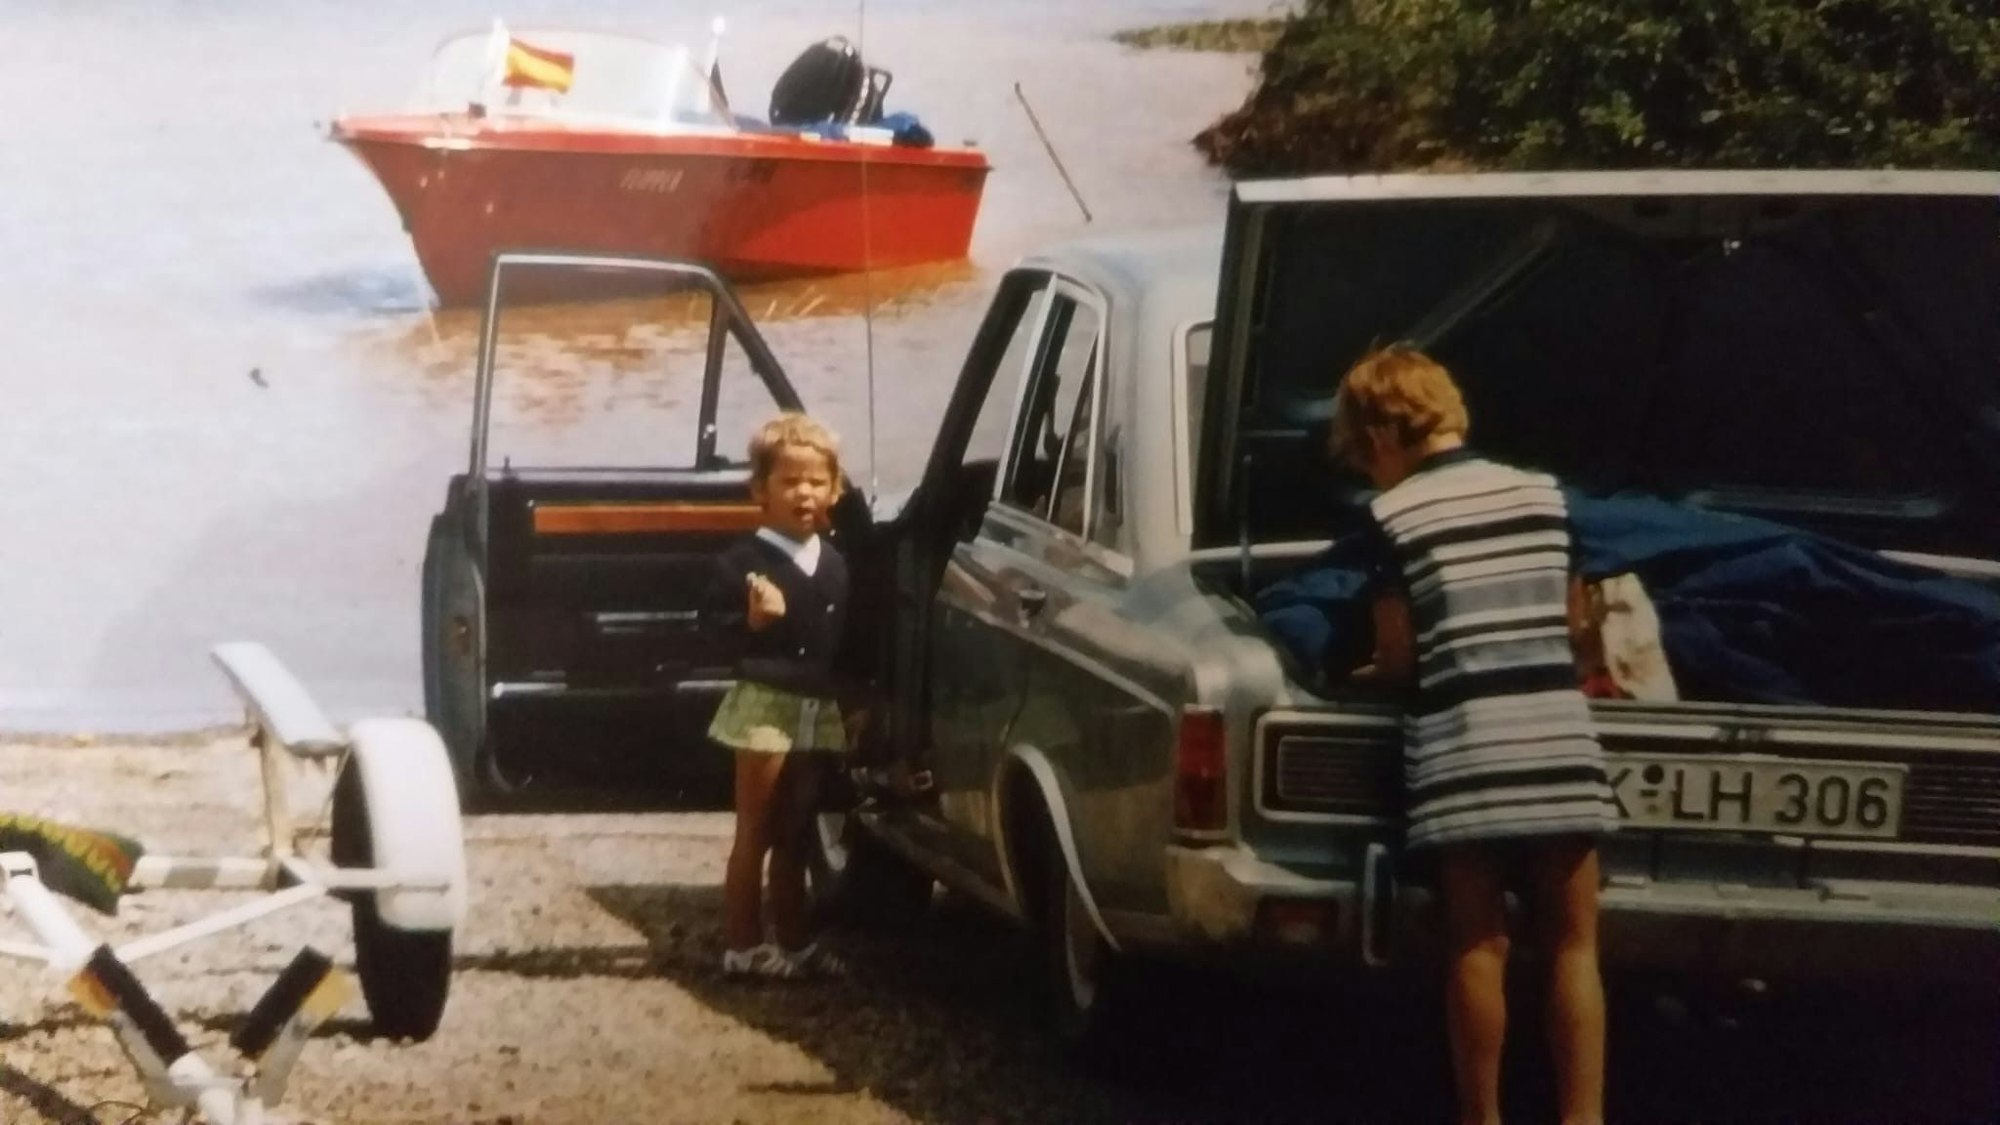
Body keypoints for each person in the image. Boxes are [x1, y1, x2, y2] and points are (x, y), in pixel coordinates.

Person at [1330, 346, 1618, 1125]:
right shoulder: (1548, 496)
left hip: (1466, 745)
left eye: (1362, 458)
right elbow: (1573, 627)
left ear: (1381, 435)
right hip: (1557, 735)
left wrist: (1356, 674)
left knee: (1478, 943)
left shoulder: (1391, 518)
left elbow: (1399, 658)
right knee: (1574, 944)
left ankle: (1482, 1117)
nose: (1369, 475)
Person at [705, 412, 854, 981]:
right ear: (759, 491)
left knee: (797, 828)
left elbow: (845, 642)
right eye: (789, 481)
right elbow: (712, 630)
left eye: (816, 481)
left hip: (815, 705)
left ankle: (794, 943)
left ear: (835, 490)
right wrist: (753, 620)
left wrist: (857, 698)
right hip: (765, 705)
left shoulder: (834, 562)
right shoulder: (742, 563)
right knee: (757, 830)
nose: (804, 493)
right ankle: (743, 947)